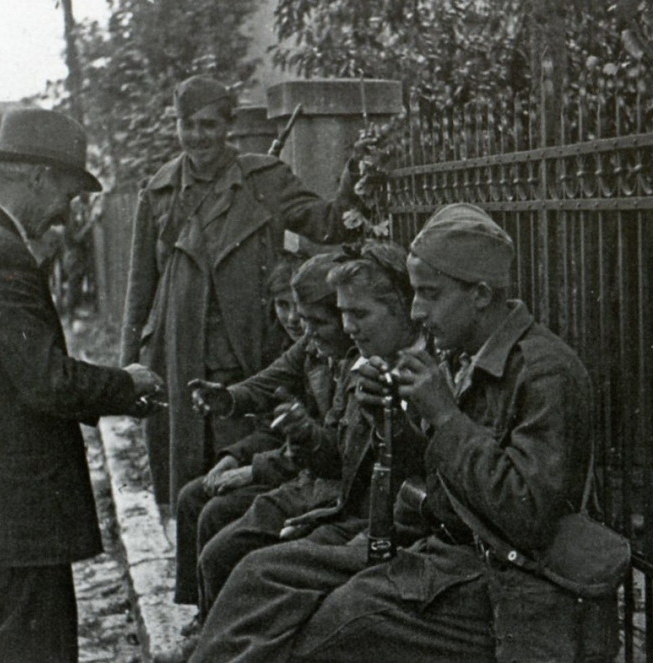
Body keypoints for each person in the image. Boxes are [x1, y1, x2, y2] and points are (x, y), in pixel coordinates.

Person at [189, 204, 612, 663]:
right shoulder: (463, 354)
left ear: (481, 295)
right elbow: (434, 476)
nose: (416, 310)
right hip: (440, 547)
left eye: (429, 294)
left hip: (507, 576)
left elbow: (528, 515)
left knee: (328, 627)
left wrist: (446, 416)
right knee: (260, 574)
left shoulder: (545, 372)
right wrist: (387, 419)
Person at [0, 108, 165, 663]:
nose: (65, 215)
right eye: (68, 196)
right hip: (18, 518)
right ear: (38, 177)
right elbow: (46, 381)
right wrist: (127, 385)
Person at [119, 74, 365, 508]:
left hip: (249, 360)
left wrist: (355, 177)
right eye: (188, 124)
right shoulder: (158, 193)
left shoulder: (264, 180)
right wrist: (127, 372)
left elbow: (326, 224)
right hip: (181, 365)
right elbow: (140, 291)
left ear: (228, 127)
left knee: (244, 486)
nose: (198, 136)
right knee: (191, 491)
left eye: (210, 125)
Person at [189, 241, 429, 657]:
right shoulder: (364, 363)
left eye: (357, 314)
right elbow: (338, 452)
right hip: (345, 511)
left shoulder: (421, 372)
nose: (349, 327)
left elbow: (414, 470)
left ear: (402, 310)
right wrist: (302, 436)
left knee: (258, 573)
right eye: (345, 315)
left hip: (384, 529)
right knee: (237, 557)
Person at [172, 252, 350, 613]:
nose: (299, 327)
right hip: (303, 473)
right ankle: (203, 621)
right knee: (194, 498)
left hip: (318, 483)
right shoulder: (312, 347)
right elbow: (266, 390)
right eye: (287, 310)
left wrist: (252, 470)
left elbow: (334, 448)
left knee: (218, 523)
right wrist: (227, 404)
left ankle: (215, 630)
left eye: (313, 319)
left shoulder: (355, 359)